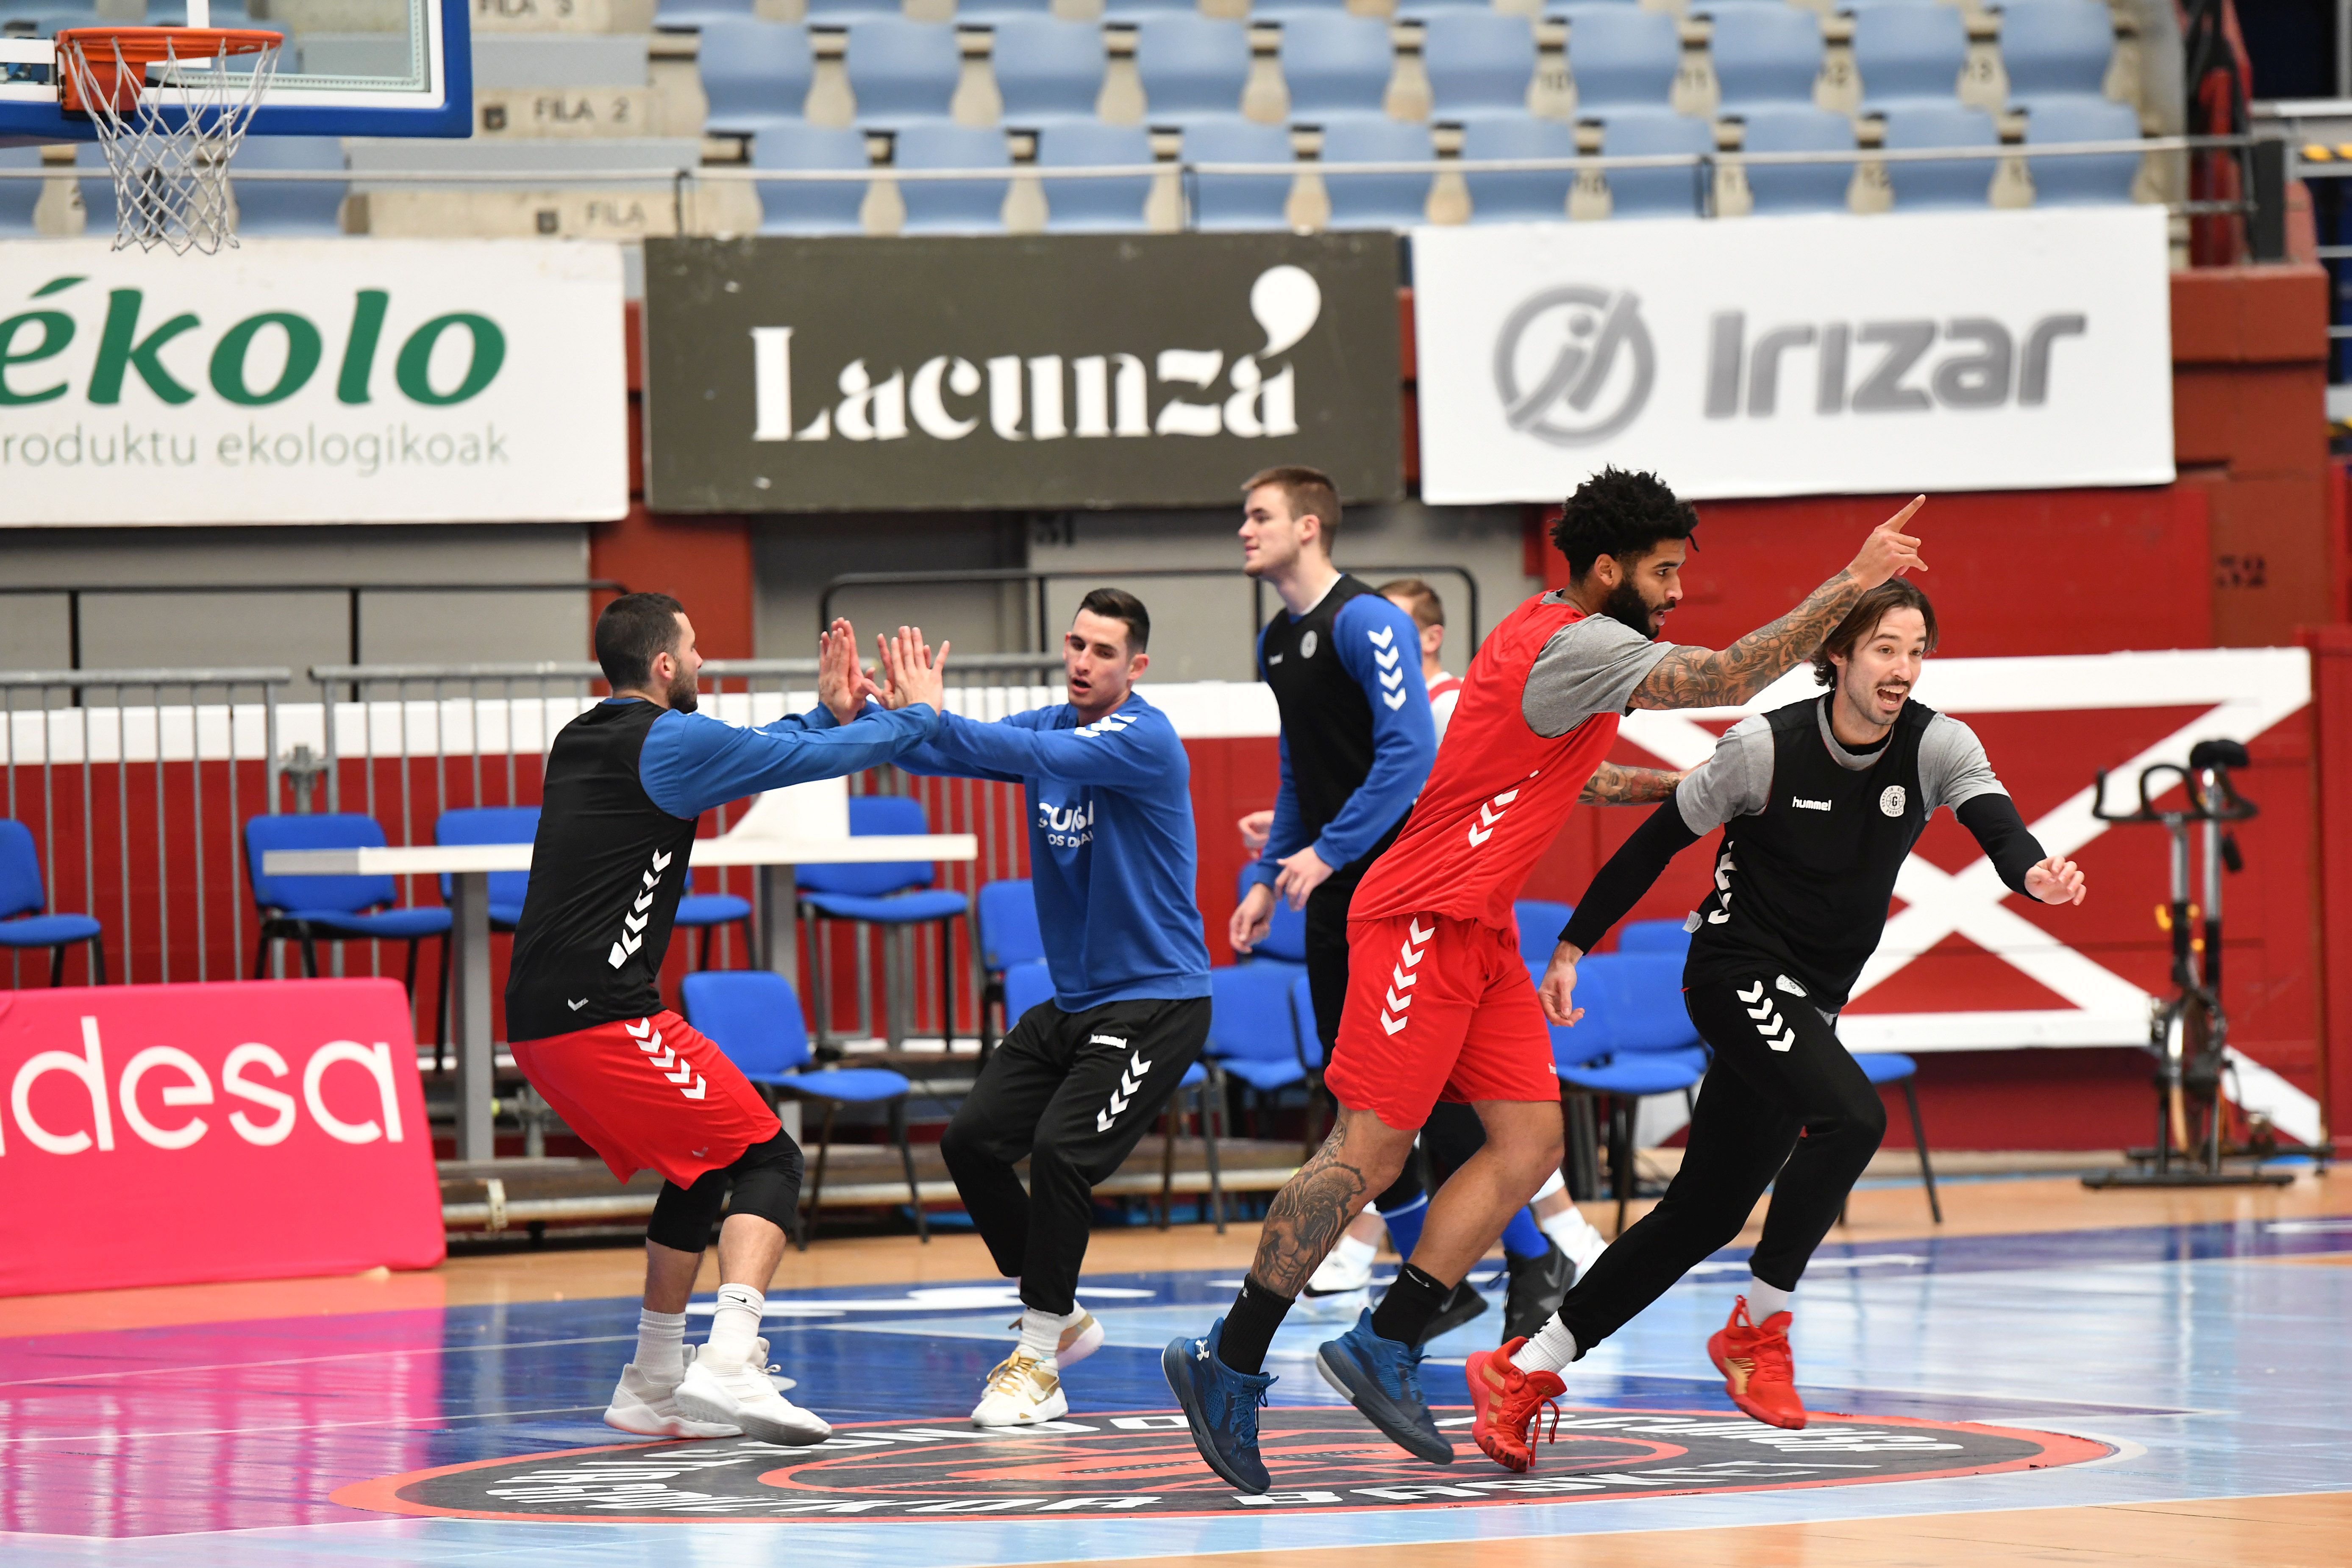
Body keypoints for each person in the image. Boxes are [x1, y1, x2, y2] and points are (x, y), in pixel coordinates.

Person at [1166, 467, 1928, 1495]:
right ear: (1607, 570)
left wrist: (1701, 792)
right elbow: (1727, 676)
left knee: (1529, 1142)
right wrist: (1854, 580)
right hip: (1416, 918)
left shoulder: (1557, 643)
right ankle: (1231, 1357)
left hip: (1477, 933)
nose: (1673, 592)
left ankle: (1388, 1340)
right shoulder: (1576, 641)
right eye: (1662, 573)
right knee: (1371, 1153)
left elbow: (1584, 773)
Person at [1466, 578, 2088, 1471]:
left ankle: (1525, 1367)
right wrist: (1570, 943)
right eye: (1884, 648)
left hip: (1808, 1001)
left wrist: (2036, 876)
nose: (1903, 668)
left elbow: (2001, 829)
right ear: (1836, 655)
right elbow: (1655, 842)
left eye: (1916, 650)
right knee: (1855, 1117)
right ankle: (1760, 1329)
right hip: (1733, 971)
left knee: (1703, 1213)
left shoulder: (1938, 745)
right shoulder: (1764, 746)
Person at [503, 594, 946, 1448]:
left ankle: (653, 1381)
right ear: (665, 665)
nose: (704, 664)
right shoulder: (669, 741)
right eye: (697, 650)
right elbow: (793, 760)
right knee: (770, 1154)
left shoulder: (582, 737)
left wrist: (822, 709)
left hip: (538, 1022)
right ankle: (730, 1358)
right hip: (599, 1015)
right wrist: (916, 715)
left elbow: (759, 749)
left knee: (700, 1162)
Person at [889, 592, 1213, 1428]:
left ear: (1135, 667)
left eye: (1103, 651)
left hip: (1155, 1000)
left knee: (1062, 1150)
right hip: (1073, 1002)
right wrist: (880, 720)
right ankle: (1062, 1314)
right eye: (1075, 642)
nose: (1081, 660)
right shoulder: (1052, 726)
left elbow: (996, 742)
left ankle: (1037, 1359)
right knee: (970, 1141)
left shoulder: (1143, 737)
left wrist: (935, 716)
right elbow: (948, 756)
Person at [1298, 575, 1621, 1346]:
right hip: (1403, 913)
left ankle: (1542, 1246)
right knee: (1419, 1117)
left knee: (1435, 1120)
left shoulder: (1448, 708)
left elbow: (1550, 787)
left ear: (1431, 640)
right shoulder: (1398, 715)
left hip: (1436, 919)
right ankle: (1518, 1253)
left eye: (1395, 638)